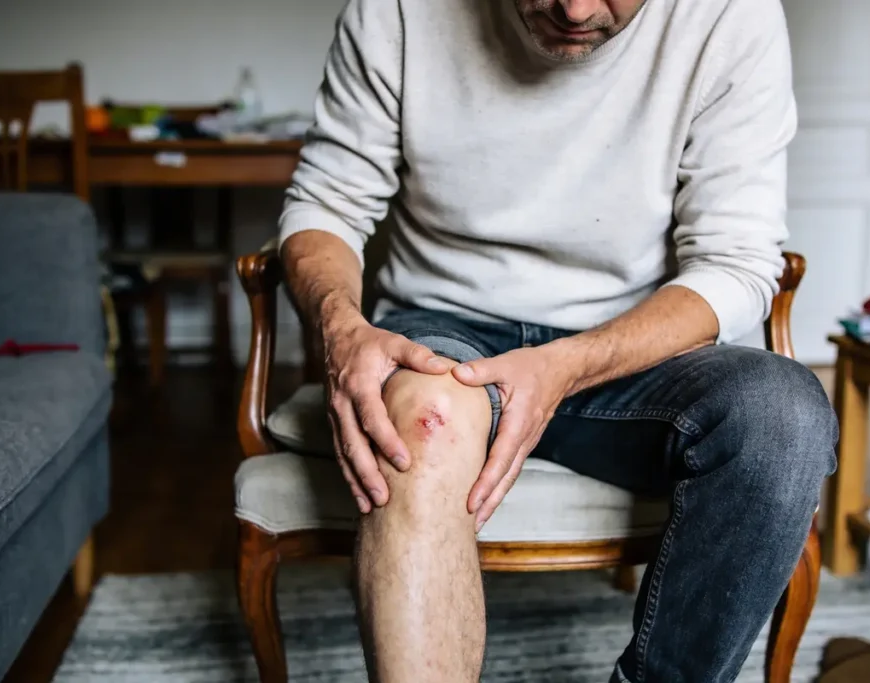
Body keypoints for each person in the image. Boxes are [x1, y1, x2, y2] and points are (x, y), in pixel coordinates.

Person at [277, 0, 838, 681]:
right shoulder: (395, 9)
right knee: (422, 424)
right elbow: (327, 203)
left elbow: (737, 263)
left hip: (631, 349)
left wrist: (567, 364)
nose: (575, 9)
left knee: (784, 418)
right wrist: (342, 328)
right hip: (449, 328)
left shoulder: (731, 16)